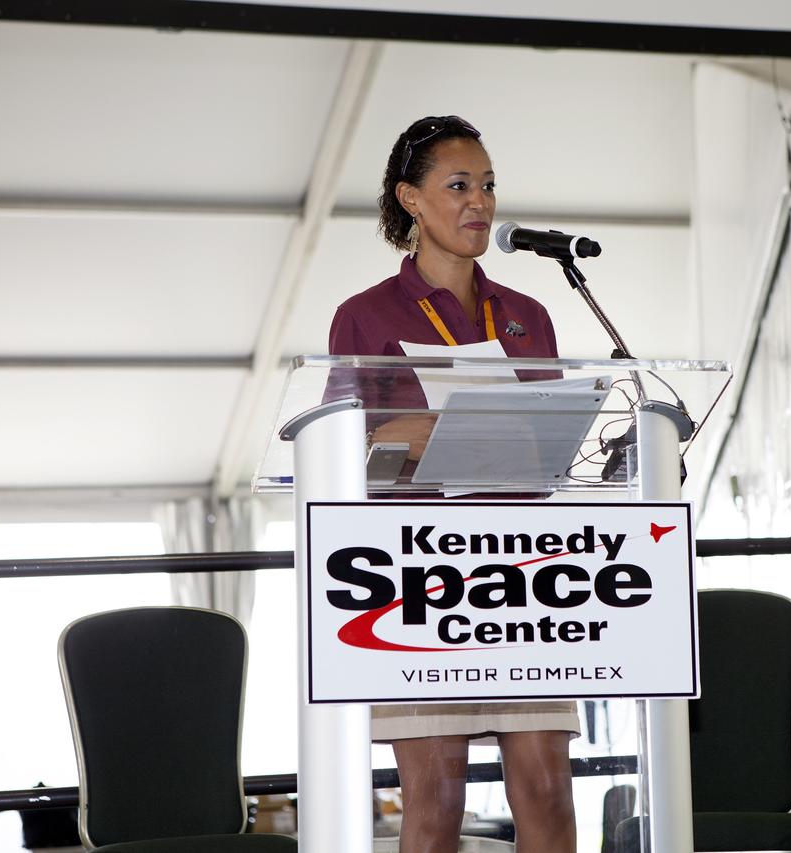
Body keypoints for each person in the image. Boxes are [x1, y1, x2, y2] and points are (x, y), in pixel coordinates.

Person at [328, 115, 579, 853]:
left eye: (489, 185)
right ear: (411, 198)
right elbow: (348, 456)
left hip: (526, 576)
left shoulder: (529, 317)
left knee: (547, 792)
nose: (481, 202)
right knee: (435, 803)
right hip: (420, 577)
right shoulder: (364, 316)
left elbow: (551, 446)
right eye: (459, 185)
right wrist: (419, 433)